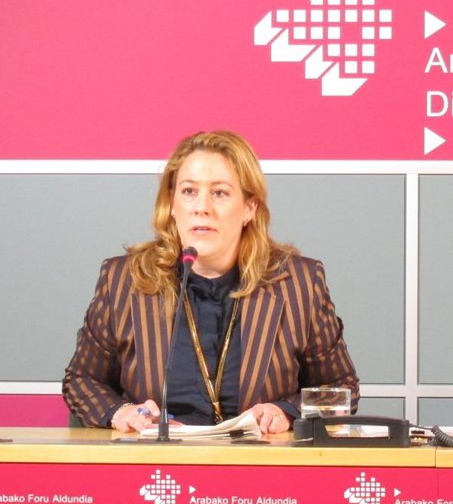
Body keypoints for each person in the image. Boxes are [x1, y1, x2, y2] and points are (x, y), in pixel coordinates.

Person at [63, 129, 359, 435]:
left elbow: (340, 388)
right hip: (159, 457)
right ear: (172, 204)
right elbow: (82, 380)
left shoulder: (298, 283)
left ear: (249, 207)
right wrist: (120, 412)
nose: (201, 207)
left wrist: (286, 412)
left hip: (256, 460)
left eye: (219, 193)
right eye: (188, 191)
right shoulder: (125, 280)